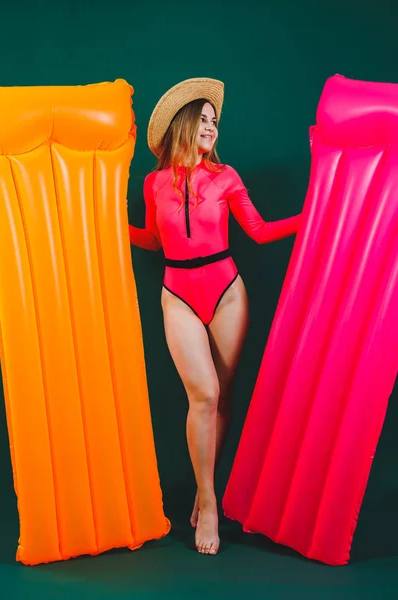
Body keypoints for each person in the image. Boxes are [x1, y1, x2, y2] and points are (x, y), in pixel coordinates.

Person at [128, 77, 301, 555]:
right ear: (183, 124)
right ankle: (208, 500)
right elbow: (154, 240)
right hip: (177, 290)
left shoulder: (226, 177)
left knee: (222, 398)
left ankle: (208, 489)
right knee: (202, 394)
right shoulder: (153, 182)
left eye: (214, 122)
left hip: (226, 289)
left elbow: (261, 232)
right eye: (203, 120)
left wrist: (314, 217)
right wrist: (113, 226)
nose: (211, 128)